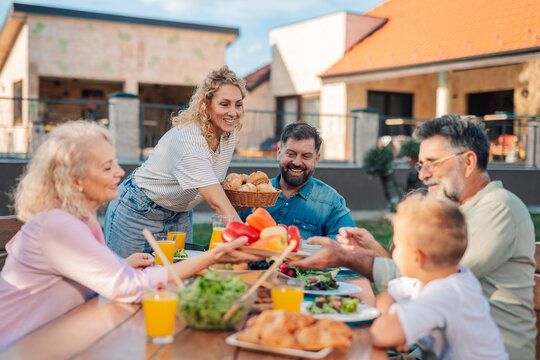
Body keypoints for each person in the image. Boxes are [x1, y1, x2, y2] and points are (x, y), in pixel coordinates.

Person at [291, 115, 536, 359]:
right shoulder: (456, 211)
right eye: (420, 165)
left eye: (433, 163)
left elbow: (430, 276)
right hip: (435, 345)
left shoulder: (498, 208)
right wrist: (373, 249)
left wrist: (346, 259)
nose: (422, 175)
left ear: (468, 162)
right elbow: (417, 275)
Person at [0, 121, 260, 350]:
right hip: (20, 347)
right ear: (76, 180)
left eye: (114, 162)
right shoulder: (59, 225)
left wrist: (120, 266)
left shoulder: (76, 217)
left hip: (57, 337)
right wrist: (213, 256)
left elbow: (68, 279)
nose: (120, 172)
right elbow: (130, 288)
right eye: (106, 167)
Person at [105, 66, 246, 258]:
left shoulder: (228, 135)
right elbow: (218, 202)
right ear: (206, 105)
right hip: (137, 211)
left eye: (238, 104)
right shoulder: (189, 141)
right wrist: (249, 242)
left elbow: (214, 183)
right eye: (224, 104)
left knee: (174, 282)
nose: (233, 112)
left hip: (180, 215)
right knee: (127, 280)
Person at [370, 193, 508, 359]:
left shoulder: (446, 293)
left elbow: (379, 333)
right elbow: (386, 297)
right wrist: (395, 325)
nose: (394, 251)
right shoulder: (438, 277)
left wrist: (395, 328)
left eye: (397, 245)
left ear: (417, 258)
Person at [239, 122, 355, 239]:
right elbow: (228, 229)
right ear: (279, 153)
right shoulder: (251, 193)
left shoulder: (330, 201)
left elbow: (349, 242)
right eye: (291, 154)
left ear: (316, 159)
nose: (297, 162)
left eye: (306, 156)